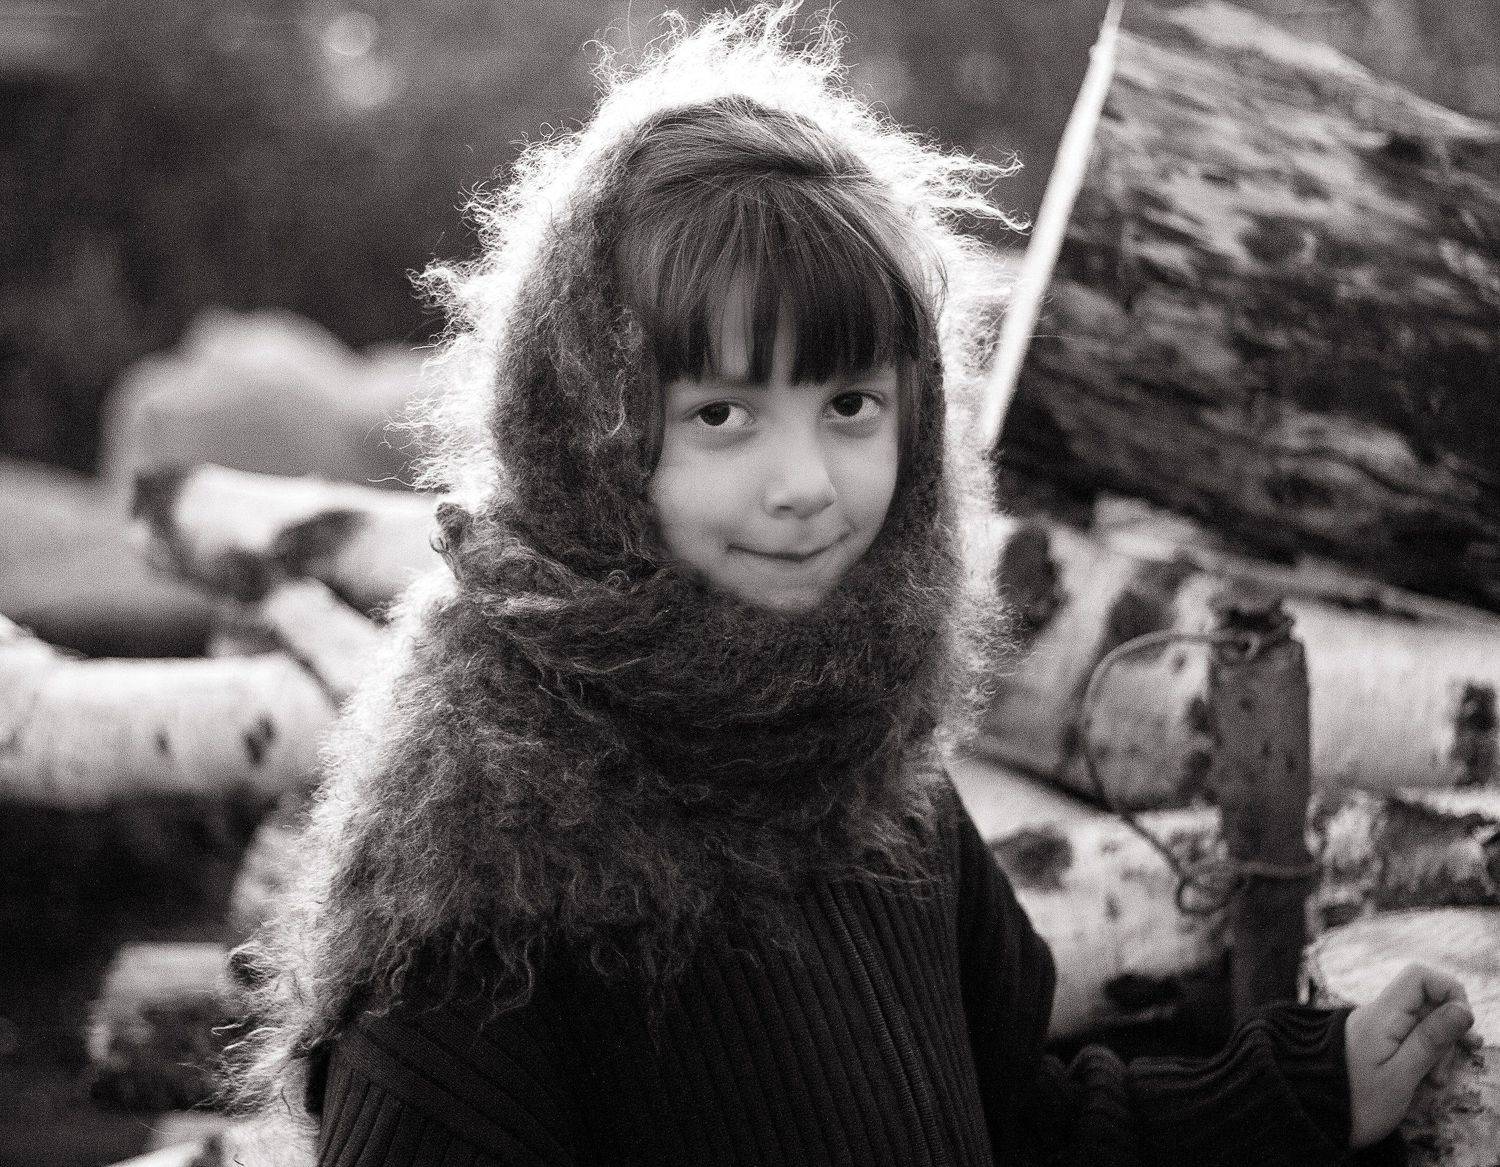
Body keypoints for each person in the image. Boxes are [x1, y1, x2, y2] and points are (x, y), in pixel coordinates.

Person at [228, 7, 1477, 1165]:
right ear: (582, 432)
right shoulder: (483, 871)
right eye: (722, 413)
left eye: (850, 405)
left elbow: (1020, 1128)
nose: (807, 485)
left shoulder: (866, 757)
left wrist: (1295, 1094)